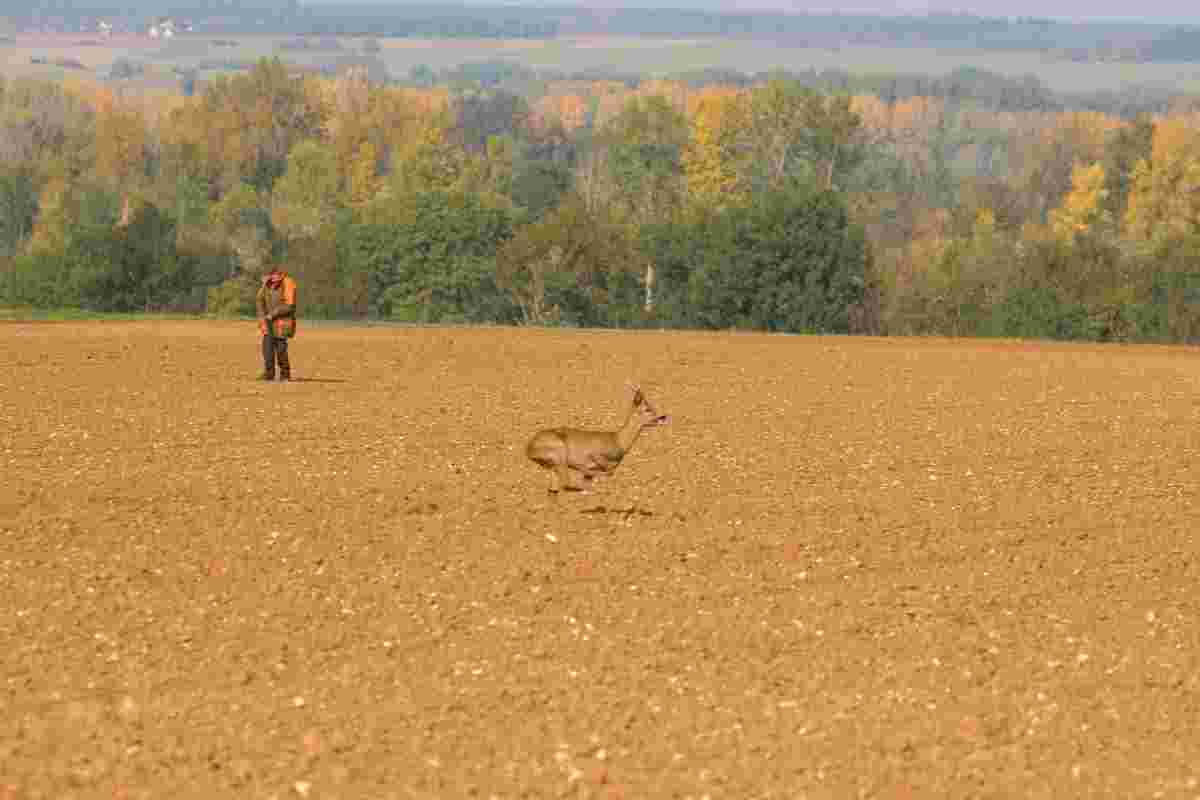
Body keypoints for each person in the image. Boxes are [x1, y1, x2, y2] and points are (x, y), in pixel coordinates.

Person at [255, 268, 298, 381]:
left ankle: (285, 374)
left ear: (280, 276)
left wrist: (272, 314)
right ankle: (269, 374)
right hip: (268, 322)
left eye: (276, 275)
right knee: (267, 350)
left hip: (282, 323)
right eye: (271, 275)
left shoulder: (287, 285)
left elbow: (289, 307)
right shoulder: (266, 286)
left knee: (281, 351)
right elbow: (260, 301)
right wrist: (262, 319)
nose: (273, 278)